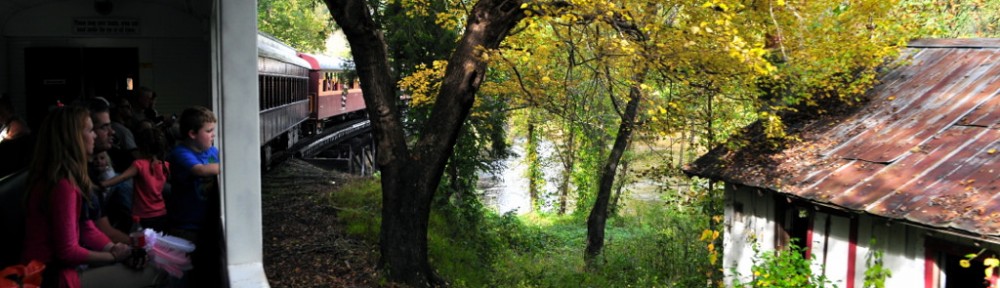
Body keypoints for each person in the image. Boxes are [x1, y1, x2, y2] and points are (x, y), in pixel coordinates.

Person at [20, 105, 139, 288]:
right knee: (157, 272)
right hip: (50, 276)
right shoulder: (63, 185)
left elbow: (86, 228)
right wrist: (114, 256)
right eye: (90, 130)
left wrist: (113, 248)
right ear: (73, 138)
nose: (94, 136)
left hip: (50, 270)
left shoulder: (62, 177)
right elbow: (67, 252)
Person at [101, 127, 170, 232]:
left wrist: (101, 184)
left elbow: (122, 177)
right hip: (161, 213)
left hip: (143, 216)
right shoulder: (166, 165)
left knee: (142, 244)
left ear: (141, 146)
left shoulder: (139, 165)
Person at [167, 106, 219, 242]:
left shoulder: (213, 151)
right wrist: (231, 165)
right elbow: (200, 170)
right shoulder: (181, 153)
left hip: (207, 222)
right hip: (185, 226)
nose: (213, 134)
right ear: (192, 134)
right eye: (209, 131)